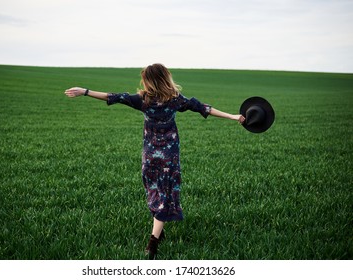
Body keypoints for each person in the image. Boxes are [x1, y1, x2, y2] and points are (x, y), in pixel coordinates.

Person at [64, 63, 245, 259]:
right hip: (169, 157)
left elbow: (112, 96)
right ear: (165, 78)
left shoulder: (142, 100)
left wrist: (85, 91)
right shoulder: (176, 100)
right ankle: (153, 242)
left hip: (149, 155)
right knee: (165, 195)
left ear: (149, 81)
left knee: (154, 191)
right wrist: (233, 116)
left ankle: (158, 231)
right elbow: (205, 108)